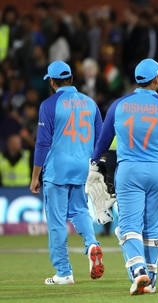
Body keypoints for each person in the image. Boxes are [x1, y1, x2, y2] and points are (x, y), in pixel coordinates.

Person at [89, 58, 158, 295]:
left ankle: (138, 270)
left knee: (129, 225)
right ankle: (150, 280)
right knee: (154, 227)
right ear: (156, 79)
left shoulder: (119, 105)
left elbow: (103, 139)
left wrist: (94, 164)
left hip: (129, 170)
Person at [29, 60, 105, 285]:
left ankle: (64, 272)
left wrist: (35, 176)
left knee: (56, 221)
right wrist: (99, 170)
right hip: (83, 166)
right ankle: (92, 244)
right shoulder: (90, 104)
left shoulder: (49, 105)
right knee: (80, 211)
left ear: (52, 82)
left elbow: (42, 143)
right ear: (71, 79)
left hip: (58, 169)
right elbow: (100, 140)